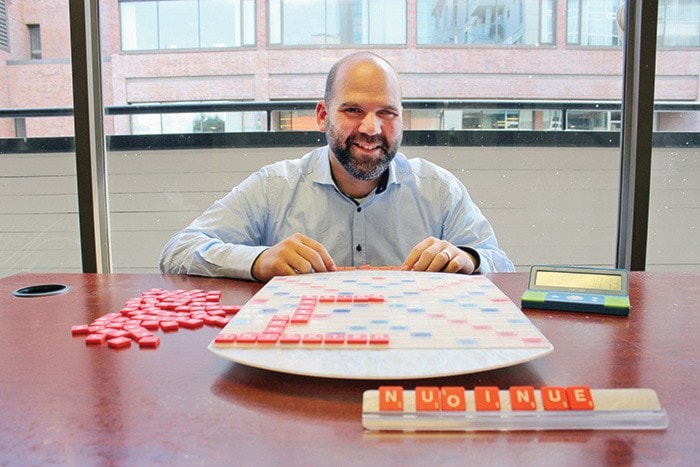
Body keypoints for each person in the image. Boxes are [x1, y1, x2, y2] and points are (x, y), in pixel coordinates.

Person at [159, 52, 515, 281]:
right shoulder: (274, 187)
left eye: (387, 113)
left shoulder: (437, 189)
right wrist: (260, 260)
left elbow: (502, 264)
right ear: (322, 115)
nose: (371, 129)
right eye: (353, 110)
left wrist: (468, 257)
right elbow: (178, 250)